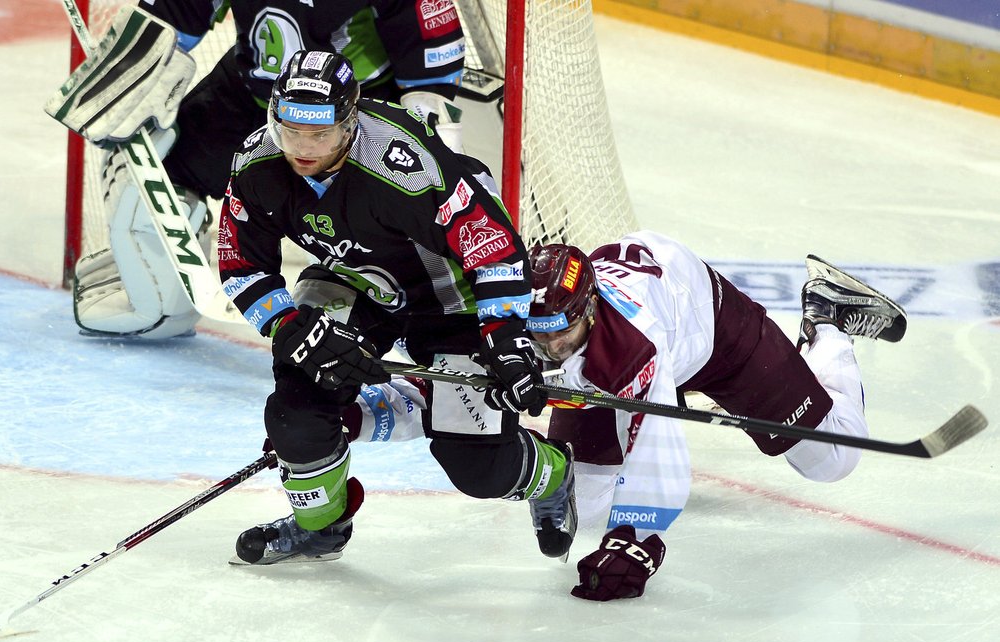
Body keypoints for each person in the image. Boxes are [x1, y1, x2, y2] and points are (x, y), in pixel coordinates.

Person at [217, 50, 577, 565]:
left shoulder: (400, 163)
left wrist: (506, 335)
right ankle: (321, 526)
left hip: (453, 299)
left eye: (320, 134)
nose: (302, 148)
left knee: (479, 469)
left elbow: (492, 245)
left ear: (351, 121)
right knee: (296, 413)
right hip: (358, 283)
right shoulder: (256, 166)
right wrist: (289, 325)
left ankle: (554, 471)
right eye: (290, 131)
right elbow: (242, 265)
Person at [525, 232, 907, 601]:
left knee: (832, 458)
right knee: (586, 509)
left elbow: (659, 456)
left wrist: (634, 541)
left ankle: (829, 317)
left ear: (589, 308)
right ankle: (668, 384)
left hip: (717, 330)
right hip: (652, 330)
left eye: (563, 333)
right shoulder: (518, 313)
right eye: (540, 337)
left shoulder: (634, 344)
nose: (553, 347)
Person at [56, 0, 466, 338]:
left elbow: (431, 79)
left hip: (349, 121)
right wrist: (137, 63)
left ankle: (396, 300)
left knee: (382, 233)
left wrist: (430, 173)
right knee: (146, 162)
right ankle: (164, 294)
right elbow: (169, 21)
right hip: (250, 99)